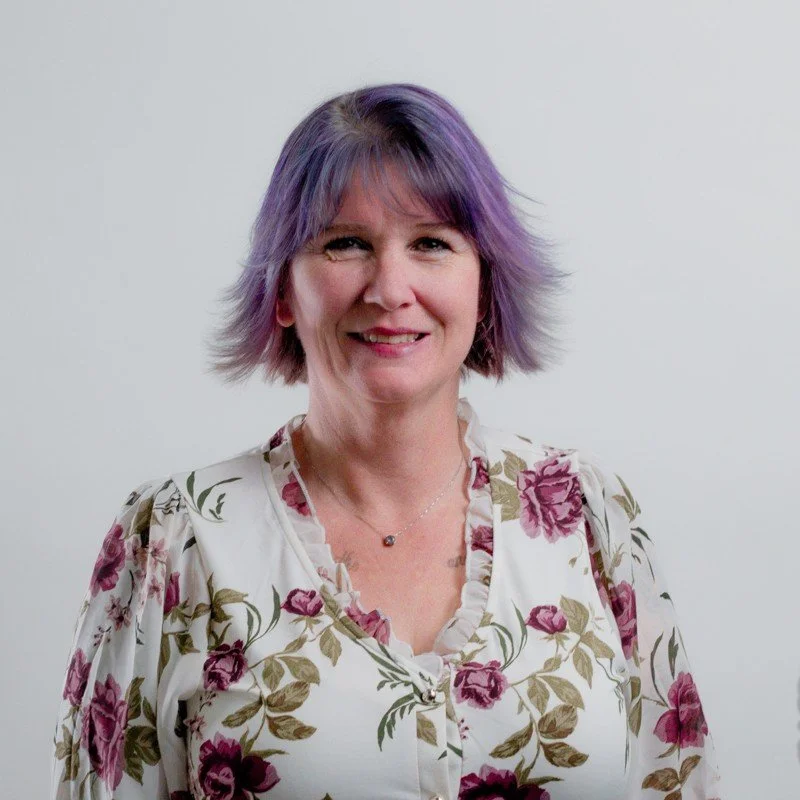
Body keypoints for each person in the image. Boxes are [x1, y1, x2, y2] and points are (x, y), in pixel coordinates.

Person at [51, 83, 722, 799]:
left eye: (431, 243)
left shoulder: (588, 514)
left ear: (483, 285)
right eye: (346, 244)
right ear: (283, 290)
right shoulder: (177, 540)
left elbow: (675, 781)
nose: (390, 289)